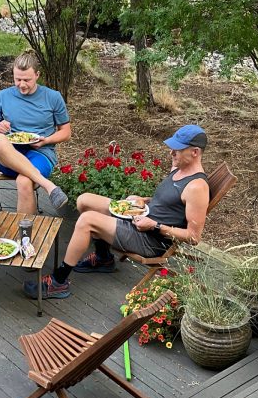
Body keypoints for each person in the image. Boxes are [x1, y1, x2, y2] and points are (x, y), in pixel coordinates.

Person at [24, 124, 210, 300]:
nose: (171, 152)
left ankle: (59, 281)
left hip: (150, 239)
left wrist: (155, 225)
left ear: (195, 152)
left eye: (177, 149)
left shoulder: (197, 188)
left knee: (87, 220)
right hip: (140, 218)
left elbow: (193, 237)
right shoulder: (179, 168)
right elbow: (168, 203)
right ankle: (103, 258)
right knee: (84, 200)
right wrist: (143, 200)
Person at [0, 52, 72, 214]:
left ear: (37, 75)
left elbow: (66, 132)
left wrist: (45, 140)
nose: (22, 84)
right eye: (17, 79)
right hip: (10, 156)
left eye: (27, 80)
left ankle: (25, 238)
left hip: (40, 154)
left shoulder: (53, 97)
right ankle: (49, 186)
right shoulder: (3, 96)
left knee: (24, 181)